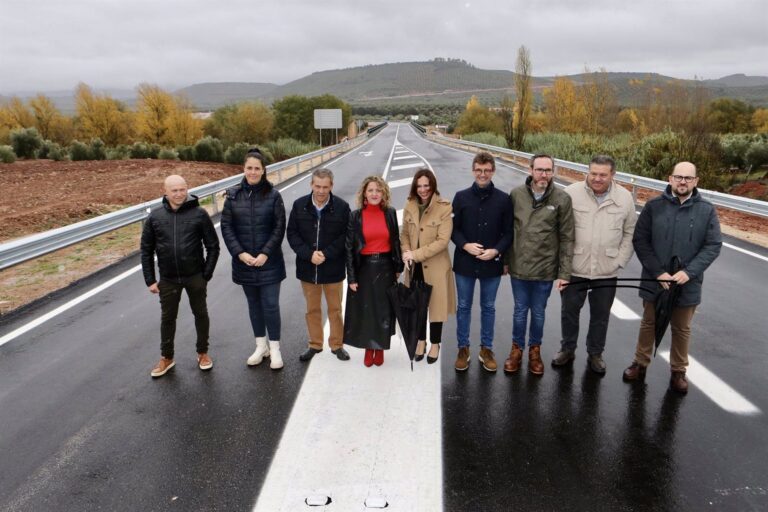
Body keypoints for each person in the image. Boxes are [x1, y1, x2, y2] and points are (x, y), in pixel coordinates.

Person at [623, 161, 722, 393]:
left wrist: (688, 272)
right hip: (654, 279)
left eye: (688, 178)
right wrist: (658, 272)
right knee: (649, 323)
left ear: (696, 181)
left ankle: (679, 371)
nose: (683, 181)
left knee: (682, 328)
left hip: (687, 283)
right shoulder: (653, 206)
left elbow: (713, 245)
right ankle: (640, 363)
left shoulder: (706, 211)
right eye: (679, 177)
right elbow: (641, 240)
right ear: (670, 179)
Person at [553, 155, 637, 374]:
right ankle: (567, 349)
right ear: (587, 172)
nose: (597, 179)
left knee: (600, 316)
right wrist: (561, 264)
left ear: (612, 175)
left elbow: (630, 233)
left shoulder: (625, 198)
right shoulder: (571, 193)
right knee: (569, 312)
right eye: (594, 173)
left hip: (606, 271)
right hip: (575, 268)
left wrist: (619, 260)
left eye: (603, 175)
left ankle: (595, 354)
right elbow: (557, 230)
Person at [140, 174, 220, 378]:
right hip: (168, 279)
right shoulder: (155, 218)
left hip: (195, 276)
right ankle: (167, 357)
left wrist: (206, 274)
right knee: (168, 318)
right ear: (165, 192)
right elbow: (146, 250)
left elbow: (213, 246)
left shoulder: (199, 214)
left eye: (182, 189)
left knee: (200, 314)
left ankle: (203, 353)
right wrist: (150, 279)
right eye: (174, 190)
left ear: (187, 189)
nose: (179, 194)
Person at [503, 154, 574, 375]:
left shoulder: (562, 198)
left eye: (548, 170)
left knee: (539, 313)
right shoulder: (516, 195)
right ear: (530, 170)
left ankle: (535, 351)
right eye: (539, 170)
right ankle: (516, 350)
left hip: (545, 269)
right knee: (519, 312)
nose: (543, 174)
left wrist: (564, 273)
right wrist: (505, 261)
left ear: (553, 172)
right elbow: (507, 231)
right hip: (519, 267)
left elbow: (567, 237)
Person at [221, 148, 287, 370]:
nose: (252, 172)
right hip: (244, 262)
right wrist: (240, 253)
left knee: (270, 305)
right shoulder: (232, 196)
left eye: (257, 168)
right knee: (254, 306)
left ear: (263, 170)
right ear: (244, 169)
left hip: (269, 262)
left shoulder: (274, 196)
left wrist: (265, 253)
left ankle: (275, 348)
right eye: (249, 168)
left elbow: (279, 228)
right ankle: (261, 346)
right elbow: (227, 227)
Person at [451, 152, 514, 372]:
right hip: (464, 263)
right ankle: (463, 348)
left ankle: (486, 349)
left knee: (488, 307)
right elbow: (453, 230)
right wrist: (465, 245)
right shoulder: (461, 197)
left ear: (493, 171)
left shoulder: (504, 199)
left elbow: (508, 233)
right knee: (464, 307)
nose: (483, 174)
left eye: (487, 170)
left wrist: (497, 250)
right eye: (479, 170)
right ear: (473, 170)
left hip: (491, 263)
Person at [287, 168, 351, 362]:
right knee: (312, 309)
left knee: (335, 309)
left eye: (325, 187)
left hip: (333, 268)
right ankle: (315, 344)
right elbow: (292, 234)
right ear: (311, 185)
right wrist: (308, 254)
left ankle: (337, 345)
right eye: (317, 186)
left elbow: (346, 236)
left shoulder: (342, 207)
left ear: (331, 186)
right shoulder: (299, 206)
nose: (321, 191)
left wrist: (326, 253)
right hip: (308, 268)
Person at [344, 176, 403, 367]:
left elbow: (395, 241)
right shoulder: (355, 215)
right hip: (364, 267)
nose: (374, 193)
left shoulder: (390, 213)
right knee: (366, 310)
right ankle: (369, 348)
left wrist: (398, 267)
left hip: (386, 266)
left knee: (384, 310)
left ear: (384, 193)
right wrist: (351, 277)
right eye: (370, 190)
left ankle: (380, 347)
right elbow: (349, 248)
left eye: (378, 190)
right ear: (364, 194)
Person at [400, 168, 456, 364]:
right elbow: (405, 234)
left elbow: (442, 241)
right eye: (419, 185)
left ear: (432, 186)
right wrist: (406, 252)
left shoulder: (444, 207)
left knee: (436, 307)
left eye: (427, 185)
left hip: (436, 266)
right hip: (414, 268)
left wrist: (414, 254)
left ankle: (435, 343)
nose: (423, 190)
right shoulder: (409, 205)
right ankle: (421, 341)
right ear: (415, 187)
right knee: (418, 307)